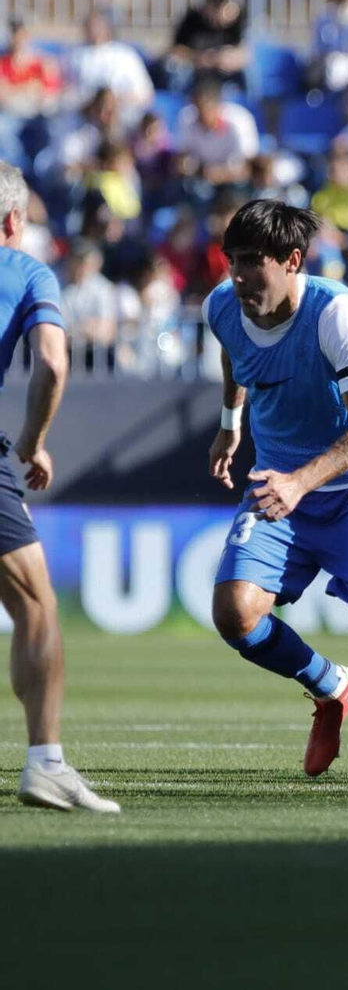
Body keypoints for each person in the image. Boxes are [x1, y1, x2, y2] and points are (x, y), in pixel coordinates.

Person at [204, 200, 348, 796]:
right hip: (281, 483)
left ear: (293, 260)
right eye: (232, 260)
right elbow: (233, 354)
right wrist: (230, 423)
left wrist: (301, 482)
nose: (239, 275)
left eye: (253, 261)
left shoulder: (333, 312)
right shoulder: (221, 307)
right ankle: (332, 686)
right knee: (235, 613)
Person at [0, 163, 118, 812]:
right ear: (13, 220)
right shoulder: (25, 271)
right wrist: (32, 440)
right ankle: (45, 763)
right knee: (35, 605)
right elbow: (51, 359)